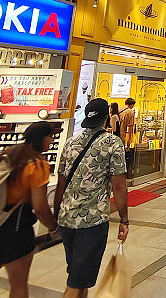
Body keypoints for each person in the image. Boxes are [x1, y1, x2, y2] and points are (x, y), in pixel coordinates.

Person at [0, 122, 59, 298]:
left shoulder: (5, 155)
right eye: (50, 136)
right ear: (41, 138)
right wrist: (53, 227)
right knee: (19, 286)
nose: (51, 141)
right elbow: (39, 207)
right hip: (16, 228)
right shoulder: (38, 165)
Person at [54, 99, 129, 298]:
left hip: (66, 219)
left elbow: (61, 182)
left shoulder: (70, 142)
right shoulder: (112, 142)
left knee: (79, 275)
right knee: (76, 282)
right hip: (92, 222)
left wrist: (56, 216)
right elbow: (119, 185)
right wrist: (124, 219)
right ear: (106, 117)